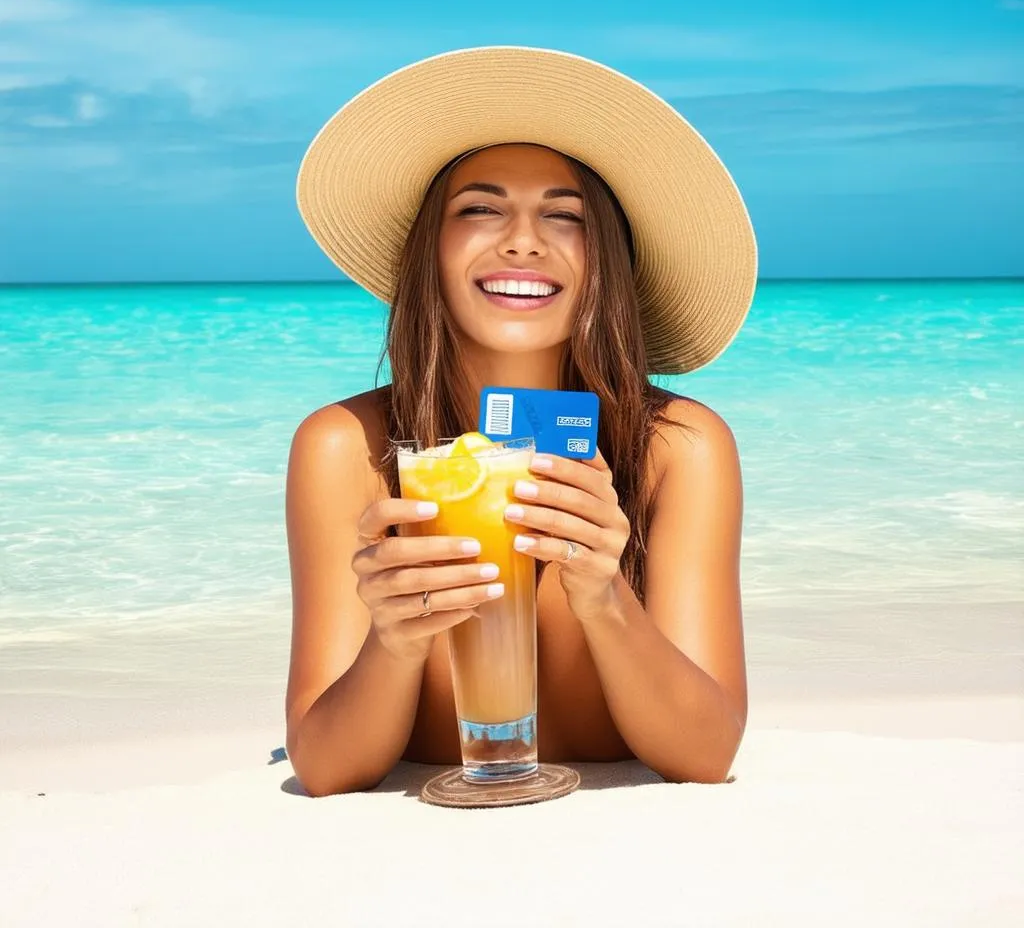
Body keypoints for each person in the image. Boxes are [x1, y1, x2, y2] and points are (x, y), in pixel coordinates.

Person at [285, 47, 758, 797]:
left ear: (607, 260)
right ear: (427, 253)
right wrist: (394, 641)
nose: (522, 240)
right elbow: (326, 769)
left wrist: (606, 598)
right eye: (479, 208)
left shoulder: (679, 449)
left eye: (564, 217)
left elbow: (705, 756)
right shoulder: (349, 448)